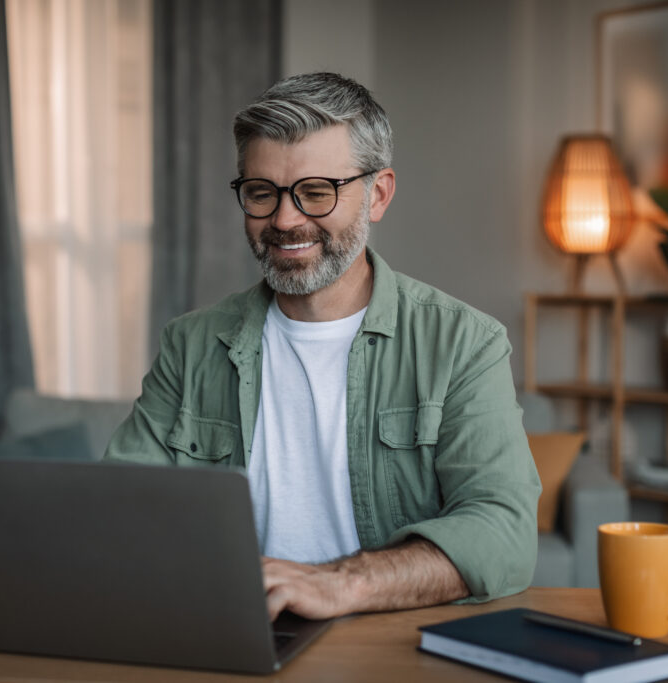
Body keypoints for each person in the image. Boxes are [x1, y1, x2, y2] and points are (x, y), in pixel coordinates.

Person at [105, 72, 541, 621]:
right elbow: (121, 506)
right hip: (231, 629)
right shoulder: (190, 344)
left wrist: (341, 584)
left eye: (316, 192)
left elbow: (504, 531)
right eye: (261, 193)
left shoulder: (464, 343)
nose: (285, 220)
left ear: (377, 195)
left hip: (389, 640)